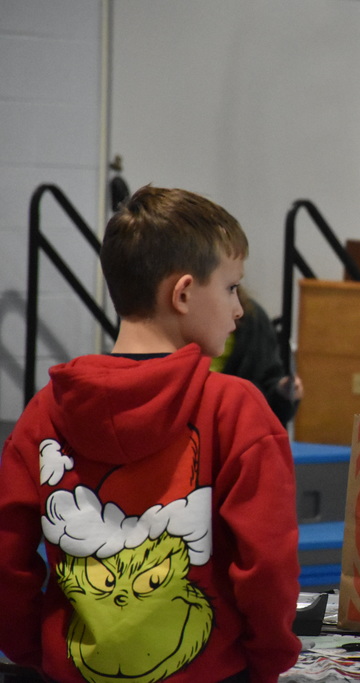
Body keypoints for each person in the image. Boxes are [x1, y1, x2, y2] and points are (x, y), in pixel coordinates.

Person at [0, 186, 302, 682]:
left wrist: (34, 649)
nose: (239, 310)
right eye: (231, 288)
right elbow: (267, 566)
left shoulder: (43, 411)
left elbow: (7, 560)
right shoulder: (236, 407)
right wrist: (268, 660)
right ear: (183, 293)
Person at [211, 286, 304, 427]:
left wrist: (281, 391)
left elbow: (270, 395)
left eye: (234, 286)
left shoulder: (252, 318)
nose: (237, 311)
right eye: (229, 286)